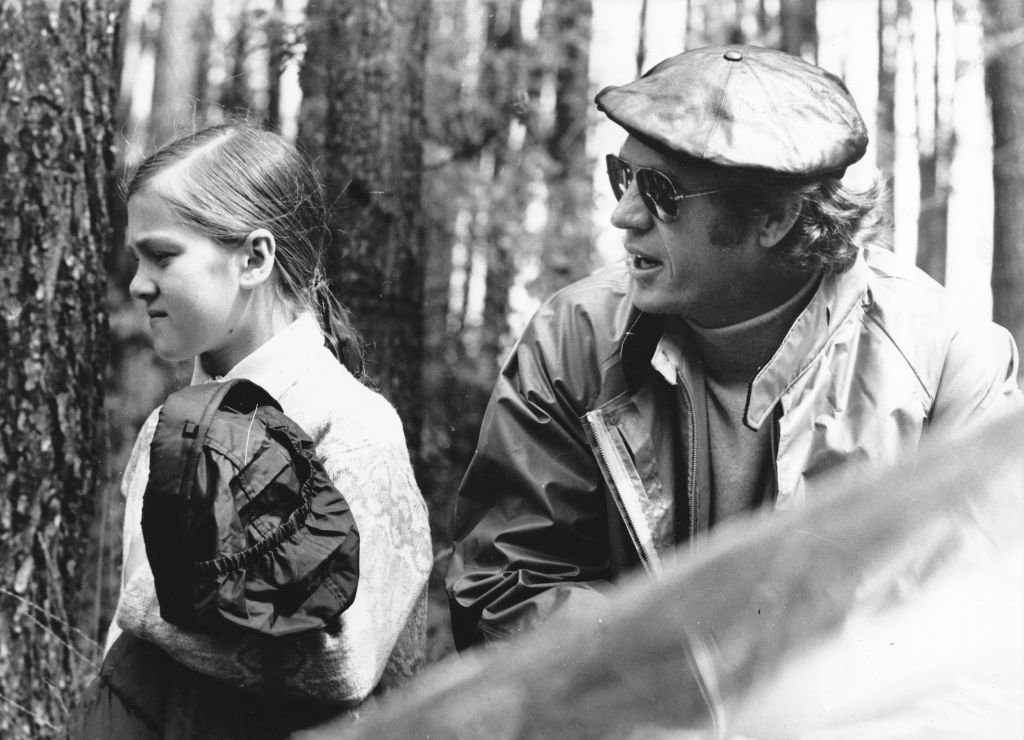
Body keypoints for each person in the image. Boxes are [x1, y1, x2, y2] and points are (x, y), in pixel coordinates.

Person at [446, 44, 1021, 650]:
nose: (623, 215)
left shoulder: (948, 363)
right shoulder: (575, 339)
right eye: (622, 177)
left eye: (660, 192)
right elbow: (505, 585)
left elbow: (986, 631)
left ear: (772, 219)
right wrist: (681, 679)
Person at [69, 122, 432, 736]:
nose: (138, 283)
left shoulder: (354, 426)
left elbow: (346, 661)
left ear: (254, 258)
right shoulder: (167, 424)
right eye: (137, 258)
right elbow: (123, 662)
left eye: (162, 255)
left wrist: (148, 602)